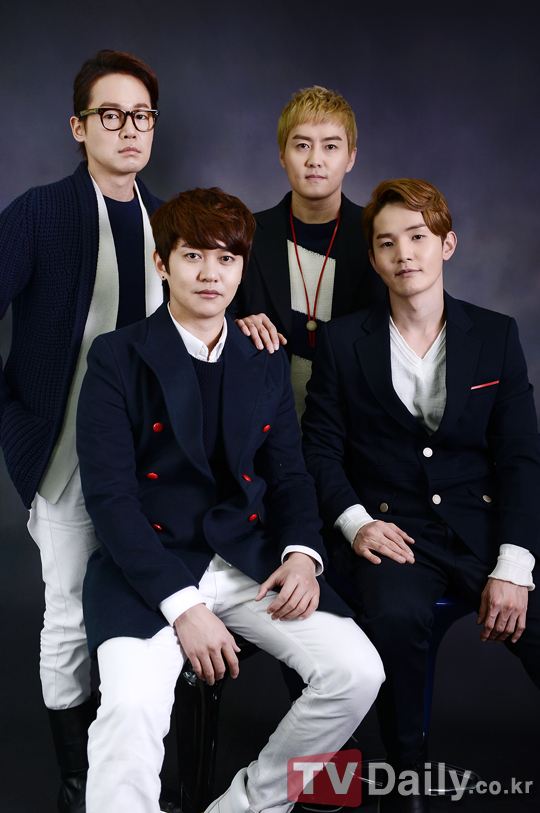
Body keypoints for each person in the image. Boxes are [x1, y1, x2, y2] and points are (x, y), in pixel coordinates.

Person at [76, 187, 385, 813]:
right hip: (151, 567)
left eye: (226, 258)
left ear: (242, 269)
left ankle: (247, 806)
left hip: (249, 560)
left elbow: (290, 476)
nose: (210, 273)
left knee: (357, 672)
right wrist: (183, 607)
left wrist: (302, 555)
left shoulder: (264, 357)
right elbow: (110, 499)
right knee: (130, 707)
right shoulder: (116, 356)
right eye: (192, 256)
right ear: (162, 264)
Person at [302, 178, 540, 812]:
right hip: (392, 530)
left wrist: (514, 565)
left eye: (418, 237)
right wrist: (355, 523)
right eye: (387, 243)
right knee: (396, 618)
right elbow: (318, 450)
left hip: (481, 529)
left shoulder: (496, 334)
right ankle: (404, 779)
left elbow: (521, 458)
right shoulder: (343, 341)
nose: (404, 253)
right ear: (374, 258)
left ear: (447, 244)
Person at [0, 50, 165, 811]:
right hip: (64, 453)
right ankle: (76, 783)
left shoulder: (170, 220)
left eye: (142, 116)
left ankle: (134, 776)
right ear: (79, 127)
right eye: (111, 115)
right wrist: (14, 417)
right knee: (68, 611)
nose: (129, 129)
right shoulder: (38, 213)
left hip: (151, 459)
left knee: (151, 606)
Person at [229, 85, 385, 419]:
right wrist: (236, 327)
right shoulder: (244, 235)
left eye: (331, 146)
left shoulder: (379, 236)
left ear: (351, 157)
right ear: (282, 155)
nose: (315, 160)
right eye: (302, 145)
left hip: (355, 427)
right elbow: (213, 327)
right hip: (263, 425)